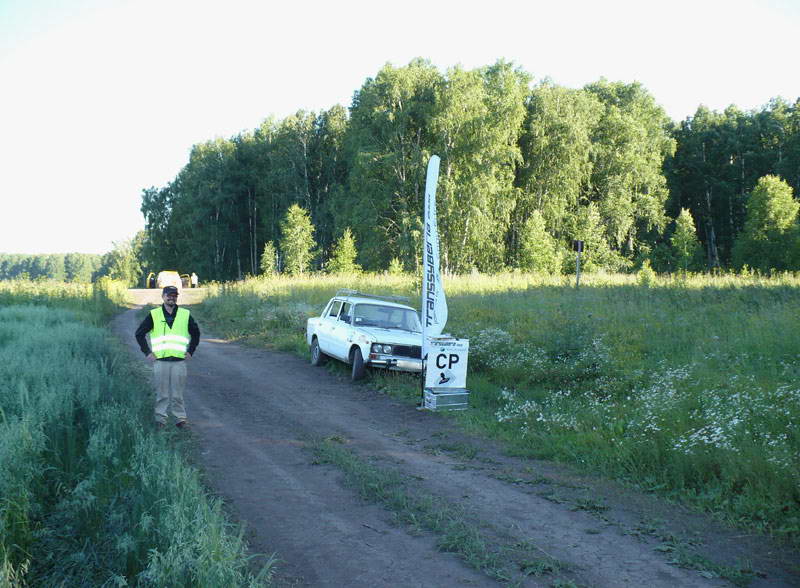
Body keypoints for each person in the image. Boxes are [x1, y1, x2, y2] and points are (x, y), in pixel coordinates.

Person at [135, 285, 200, 428]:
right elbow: (139, 334)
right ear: (163, 296)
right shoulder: (154, 314)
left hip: (179, 361)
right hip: (160, 361)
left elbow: (196, 333)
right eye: (169, 295)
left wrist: (190, 351)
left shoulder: (185, 314)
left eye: (174, 295)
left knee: (178, 394)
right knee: (162, 394)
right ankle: (161, 420)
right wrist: (147, 352)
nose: (172, 298)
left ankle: (180, 419)